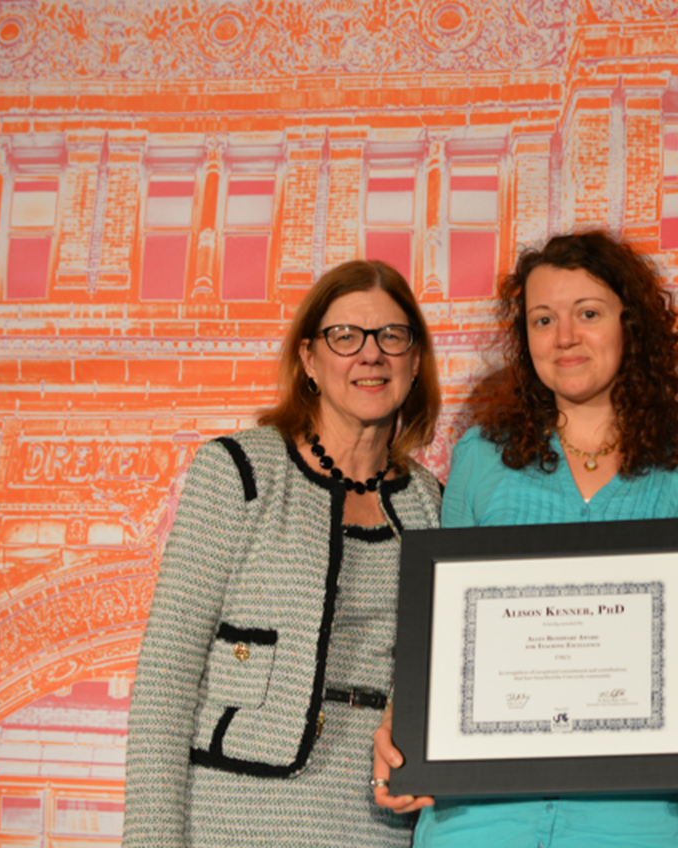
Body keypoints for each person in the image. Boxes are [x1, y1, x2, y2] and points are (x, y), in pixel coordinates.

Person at [373, 230, 678, 847]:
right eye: (543, 319)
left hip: (643, 816)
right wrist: (403, 727)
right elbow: (442, 633)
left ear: (629, 324)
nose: (564, 337)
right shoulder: (481, 457)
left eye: (588, 313)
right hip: (481, 819)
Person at [123, 260, 444, 847]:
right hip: (230, 814)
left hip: (373, 823)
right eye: (344, 337)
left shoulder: (432, 506)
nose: (370, 355)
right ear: (308, 360)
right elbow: (166, 677)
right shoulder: (239, 474)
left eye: (392, 337)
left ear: (415, 361)